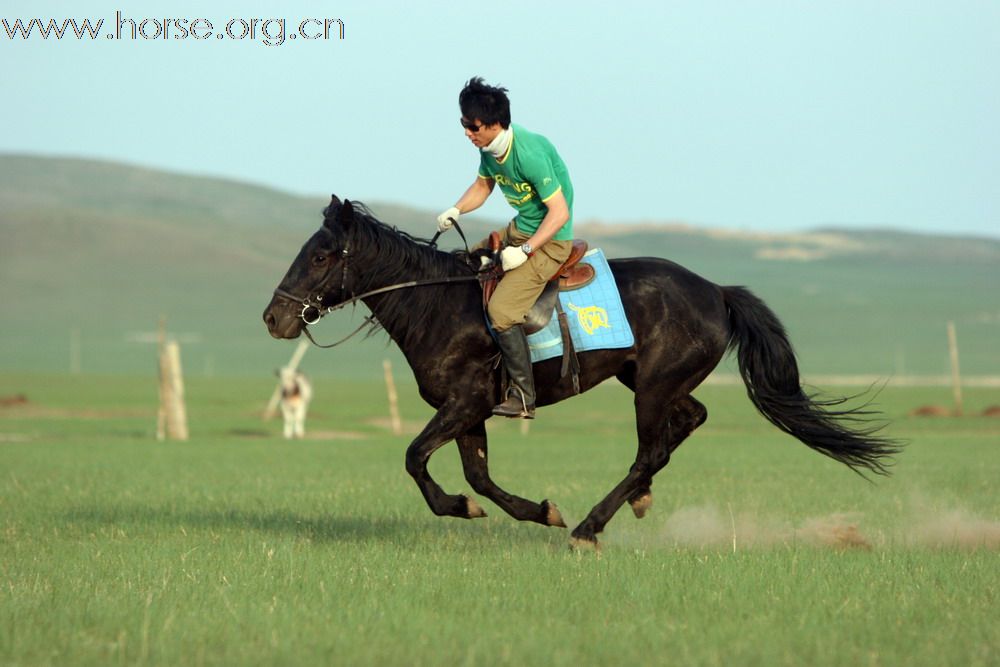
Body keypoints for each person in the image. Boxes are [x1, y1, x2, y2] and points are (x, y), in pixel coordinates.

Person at [437, 76, 575, 419]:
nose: (468, 132)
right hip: (518, 230)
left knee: (501, 312)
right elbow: (483, 187)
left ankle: (524, 396)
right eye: (464, 125)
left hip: (550, 242)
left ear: (495, 123)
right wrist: (456, 209)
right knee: (464, 264)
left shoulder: (529, 154)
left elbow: (559, 213)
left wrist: (525, 251)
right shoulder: (490, 152)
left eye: (473, 126)